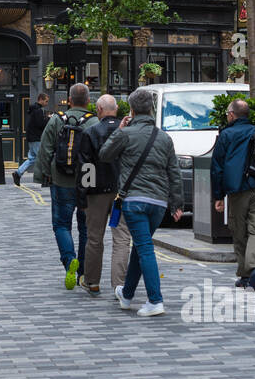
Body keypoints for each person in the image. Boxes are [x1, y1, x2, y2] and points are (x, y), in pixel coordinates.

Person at [98, 88, 183, 316]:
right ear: (152, 110)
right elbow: (174, 172)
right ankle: (126, 295)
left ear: (132, 110)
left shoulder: (125, 134)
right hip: (158, 204)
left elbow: (104, 154)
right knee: (140, 246)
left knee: (144, 248)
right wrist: (177, 204)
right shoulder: (164, 137)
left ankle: (155, 301)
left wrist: (120, 129)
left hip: (134, 201)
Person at [34, 83, 98, 290]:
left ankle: (69, 260)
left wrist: (43, 175)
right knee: (85, 228)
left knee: (62, 224)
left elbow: (45, 149)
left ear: (69, 100)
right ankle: (83, 273)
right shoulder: (94, 122)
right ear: (89, 101)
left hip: (60, 179)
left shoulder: (56, 120)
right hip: (87, 181)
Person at [75, 94, 133, 297]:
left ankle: (92, 282)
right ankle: (119, 284)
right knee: (122, 239)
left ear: (98, 110)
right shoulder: (128, 131)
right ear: (116, 109)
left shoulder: (90, 132)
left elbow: (86, 167)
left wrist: (82, 197)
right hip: (122, 192)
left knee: (94, 239)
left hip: (97, 193)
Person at [210, 99, 255, 291]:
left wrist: (218, 196)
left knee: (239, 231)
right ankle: (254, 268)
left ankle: (245, 273)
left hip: (238, 191)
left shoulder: (226, 135)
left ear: (232, 115)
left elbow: (217, 167)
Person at [13, 92, 51, 187]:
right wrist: (49, 119)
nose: (47, 103)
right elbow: (40, 124)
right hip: (36, 138)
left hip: (32, 137)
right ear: (41, 100)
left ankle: (18, 173)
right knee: (42, 159)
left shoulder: (33, 109)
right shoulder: (38, 111)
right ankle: (44, 180)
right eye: (46, 101)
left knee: (32, 158)